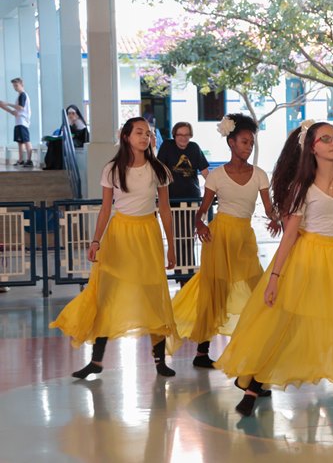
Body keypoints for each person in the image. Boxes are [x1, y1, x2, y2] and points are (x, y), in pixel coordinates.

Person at [215, 121, 333, 416]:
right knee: (285, 321)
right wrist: (275, 277)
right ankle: (253, 388)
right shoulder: (303, 186)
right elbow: (289, 235)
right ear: (312, 147)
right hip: (307, 257)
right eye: (326, 139)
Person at [49, 117, 178, 379]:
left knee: (154, 295)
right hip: (118, 236)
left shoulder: (158, 169)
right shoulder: (112, 169)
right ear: (126, 136)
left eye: (148, 133)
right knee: (107, 295)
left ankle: (159, 360)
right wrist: (96, 240)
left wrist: (171, 246)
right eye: (139, 132)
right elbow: (105, 209)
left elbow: (165, 210)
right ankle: (96, 361)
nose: (145, 137)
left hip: (147, 234)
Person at [169, 114, 278, 368]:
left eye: (251, 143)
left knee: (256, 288)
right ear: (231, 143)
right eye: (244, 142)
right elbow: (201, 211)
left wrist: (277, 219)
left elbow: (268, 208)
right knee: (215, 291)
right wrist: (199, 224)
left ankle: (260, 342)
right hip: (218, 237)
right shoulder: (217, 175)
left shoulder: (260, 175)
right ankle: (202, 352)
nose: (248, 147)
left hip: (244, 238)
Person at [157, 122, 210, 272]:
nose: (183, 138)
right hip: (173, 199)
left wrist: (216, 190)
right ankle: (182, 272)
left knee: (188, 237)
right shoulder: (167, 146)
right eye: (180, 135)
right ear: (174, 135)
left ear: (190, 136)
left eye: (187, 135)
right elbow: (158, 170)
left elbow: (205, 172)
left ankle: (187, 272)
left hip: (191, 198)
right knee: (179, 237)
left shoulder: (194, 148)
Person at [43, 105, 90, 170]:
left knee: (62, 143)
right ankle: (52, 165)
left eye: (73, 113)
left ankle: (60, 165)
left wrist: (72, 124)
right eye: (69, 113)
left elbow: (82, 137)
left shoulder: (80, 123)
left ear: (77, 114)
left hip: (77, 141)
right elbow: (62, 133)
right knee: (53, 142)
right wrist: (69, 124)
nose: (71, 115)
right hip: (67, 139)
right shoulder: (67, 121)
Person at [0, 78, 33, 167]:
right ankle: (20, 160)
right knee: (19, 142)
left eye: (16, 85)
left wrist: (7, 104)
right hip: (18, 121)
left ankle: (29, 160)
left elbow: (21, 107)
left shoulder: (23, 95)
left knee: (26, 140)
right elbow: (16, 111)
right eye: (14, 86)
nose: (15, 87)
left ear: (22, 85)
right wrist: (7, 108)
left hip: (23, 122)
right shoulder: (19, 96)